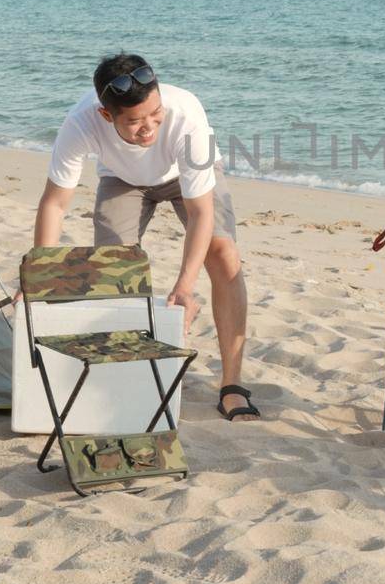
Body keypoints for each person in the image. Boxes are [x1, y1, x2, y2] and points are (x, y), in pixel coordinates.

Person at [31, 53, 259, 421]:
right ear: (107, 116)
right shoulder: (80, 122)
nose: (149, 128)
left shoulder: (185, 115)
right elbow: (55, 204)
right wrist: (38, 274)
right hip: (123, 178)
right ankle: (126, 373)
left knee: (223, 254)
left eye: (155, 115)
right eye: (135, 122)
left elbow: (201, 211)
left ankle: (232, 384)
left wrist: (185, 286)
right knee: (111, 269)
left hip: (186, 175)